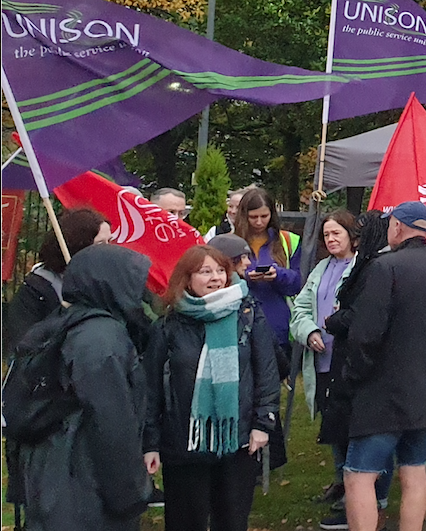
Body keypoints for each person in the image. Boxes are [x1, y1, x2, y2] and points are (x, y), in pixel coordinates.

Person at [339, 201, 426, 531]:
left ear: (397, 227)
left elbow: (364, 335)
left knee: (358, 477)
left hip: (383, 392)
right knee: (414, 472)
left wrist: (355, 377)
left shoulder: (384, 268)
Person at [12, 245, 153, 531]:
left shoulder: (67, 323)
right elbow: (111, 421)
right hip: (83, 480)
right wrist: (132, 492)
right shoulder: (101, 338)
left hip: (56, 476)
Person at [144, 245, 279, 531]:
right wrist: (151, 443)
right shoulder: (169, 323)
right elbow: (151, 388)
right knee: (185, 522)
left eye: (221, 271)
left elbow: (265, 370)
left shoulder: (247, 313)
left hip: (238, 441)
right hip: (184, 444)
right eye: (205, 272)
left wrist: (262, 423)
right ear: (187, 278)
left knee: (231, 521)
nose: (216, 278)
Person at [288, 210, 389, 529]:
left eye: (337, 234)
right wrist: (310, 332)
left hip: (349, 363)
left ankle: (361, 495)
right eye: (327, 235)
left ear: (352, 236)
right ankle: (341, 482)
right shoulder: (321, 268)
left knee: (351, 429)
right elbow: (301, 308)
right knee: (333, 427)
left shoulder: (364, 269)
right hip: (322, 361)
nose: (331, 240)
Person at [4, 208, 112, 355]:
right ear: (77, 245)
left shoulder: (109, 283)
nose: (108, 250)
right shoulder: (34, 292)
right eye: (100, 244)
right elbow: (24, 348)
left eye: (110, 241)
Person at [230, 187, 303, 363]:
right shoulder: (230, 242)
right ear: (243, 215)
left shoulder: (288, 240)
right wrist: (245, 277)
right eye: (253, 217)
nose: (259, 222)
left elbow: (299, 283)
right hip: (238, 323)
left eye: (264, 216)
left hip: (277, 322)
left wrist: (278, 275)